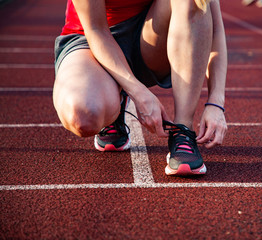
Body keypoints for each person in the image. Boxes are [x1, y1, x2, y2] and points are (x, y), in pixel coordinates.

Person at [53, 0, 227, 176]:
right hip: (90, 40)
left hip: (149, 38)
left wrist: (216, 102)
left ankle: (183, 130)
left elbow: (215, 29)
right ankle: (115, 96)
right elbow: (96, 30)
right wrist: (139, 92)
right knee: (83, 116)